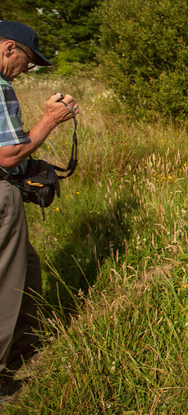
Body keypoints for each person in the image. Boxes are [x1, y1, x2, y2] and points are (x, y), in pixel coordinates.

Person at [0, 21, 79, 381]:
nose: (27, 70)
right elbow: (8, 155)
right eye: (29, 61)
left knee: (26, 265)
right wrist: (51, 119)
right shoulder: (1, 86)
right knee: (8, 276)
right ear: (9, 49)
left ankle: (25, 344)